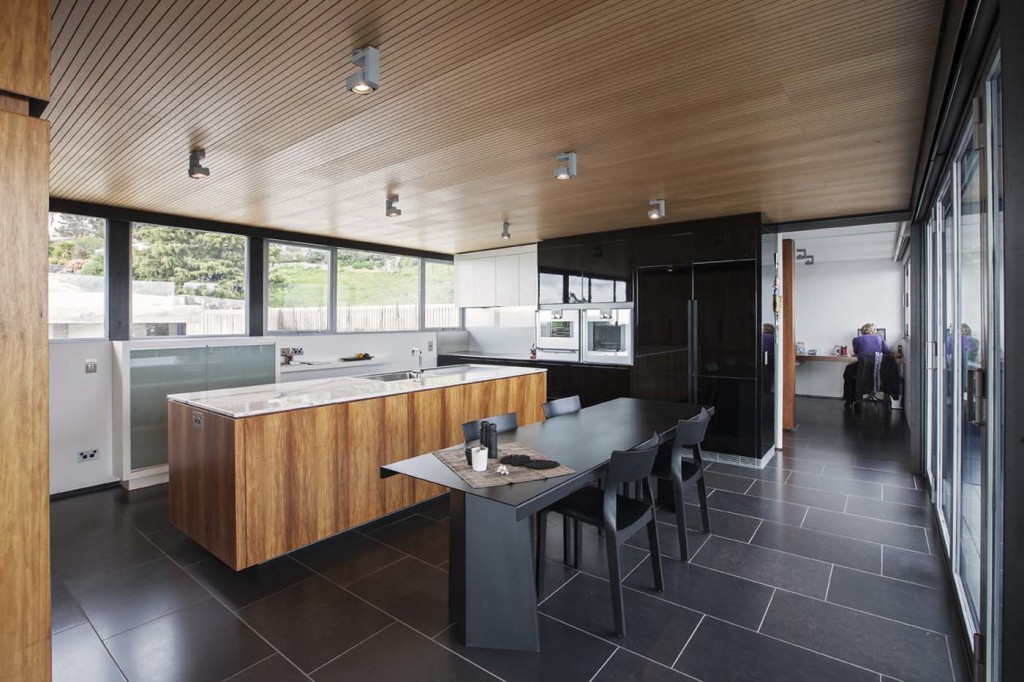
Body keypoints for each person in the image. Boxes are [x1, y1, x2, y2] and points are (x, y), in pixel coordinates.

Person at [843, 323, 892, 408]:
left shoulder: (857, 339)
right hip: (877, 370)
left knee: (848, 371)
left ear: (862, 331)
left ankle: (851, 399)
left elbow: (856, 353)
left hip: (863, 368)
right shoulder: (880, 339)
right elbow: (887, 352)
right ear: (874, 331)